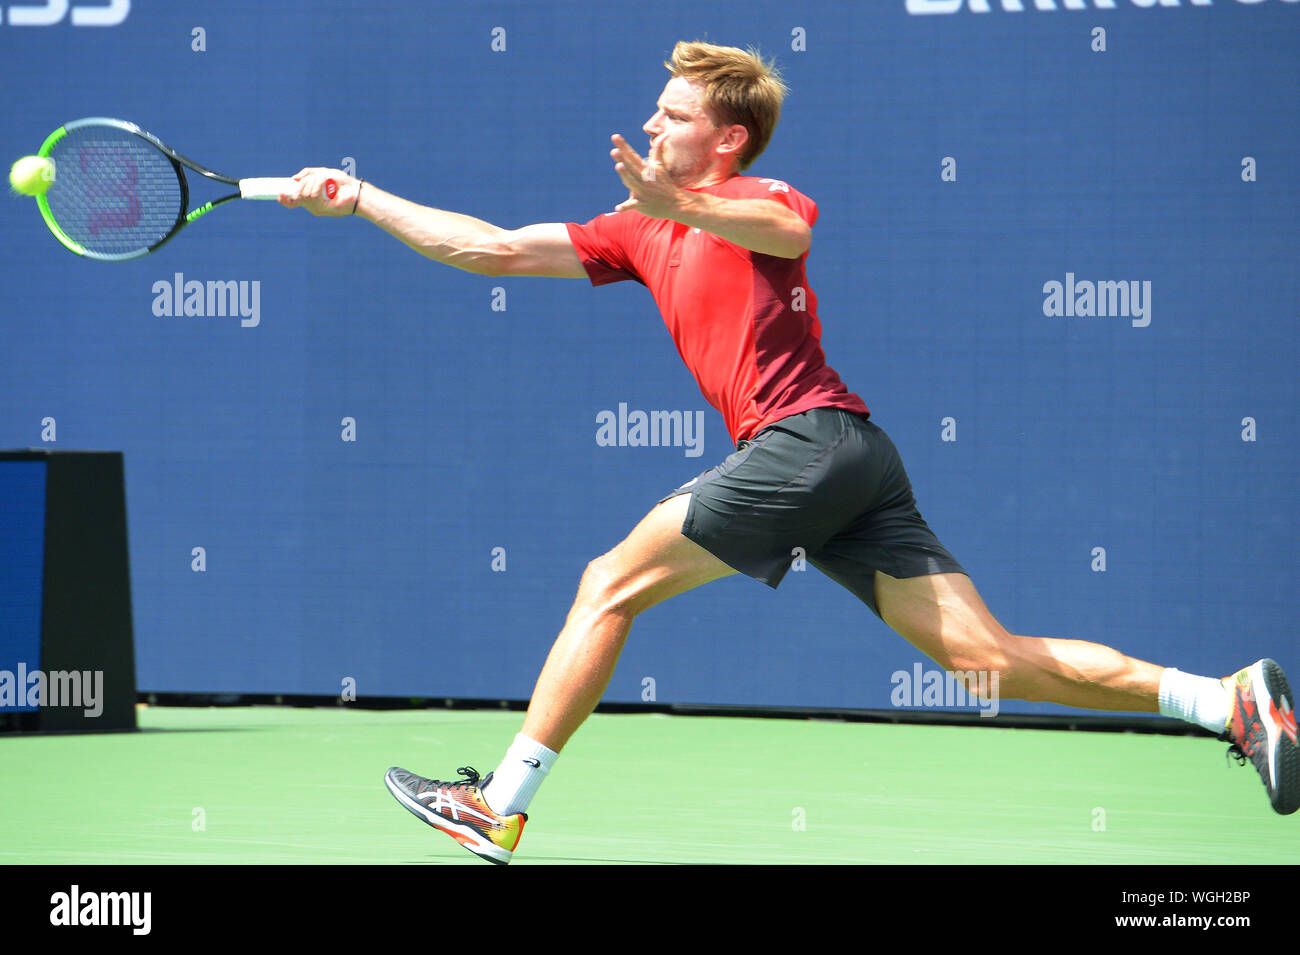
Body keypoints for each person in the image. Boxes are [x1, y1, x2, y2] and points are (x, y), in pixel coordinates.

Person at [283, 41, 1298, 863]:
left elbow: (773, 228)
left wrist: (681, 205)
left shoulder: (768, 202)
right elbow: (492, 247)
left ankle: (498, 805)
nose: (648, 125)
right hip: (851, 459)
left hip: (808, 442)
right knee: (986, 661)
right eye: (655, 111)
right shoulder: (637, 230)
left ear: (727, 139)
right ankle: (1225, 700)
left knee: (607, 585)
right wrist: (363, 196)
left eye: (671, 116)